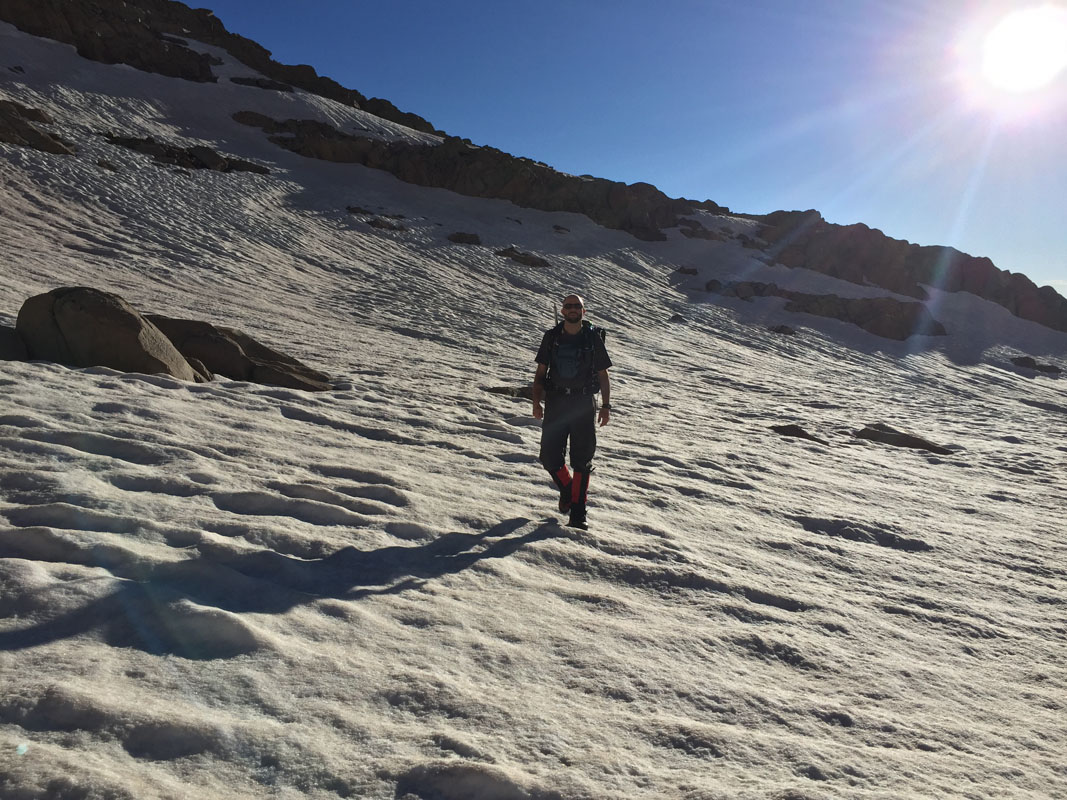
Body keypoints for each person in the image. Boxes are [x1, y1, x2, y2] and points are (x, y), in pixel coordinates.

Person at [532, 293, 612, 529]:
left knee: (582, 459)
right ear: (564, 311)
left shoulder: (592, 338)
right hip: (556, 403)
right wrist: (536, 402)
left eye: (577, 306)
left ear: (583, 311)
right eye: (569, 306)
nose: (573, 309)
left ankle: (578, 513)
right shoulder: (552, 337)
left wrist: (606, 406)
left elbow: (603, 375)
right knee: (549, 456)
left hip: (583, 404)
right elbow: (540, 374)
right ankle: (568, 489)